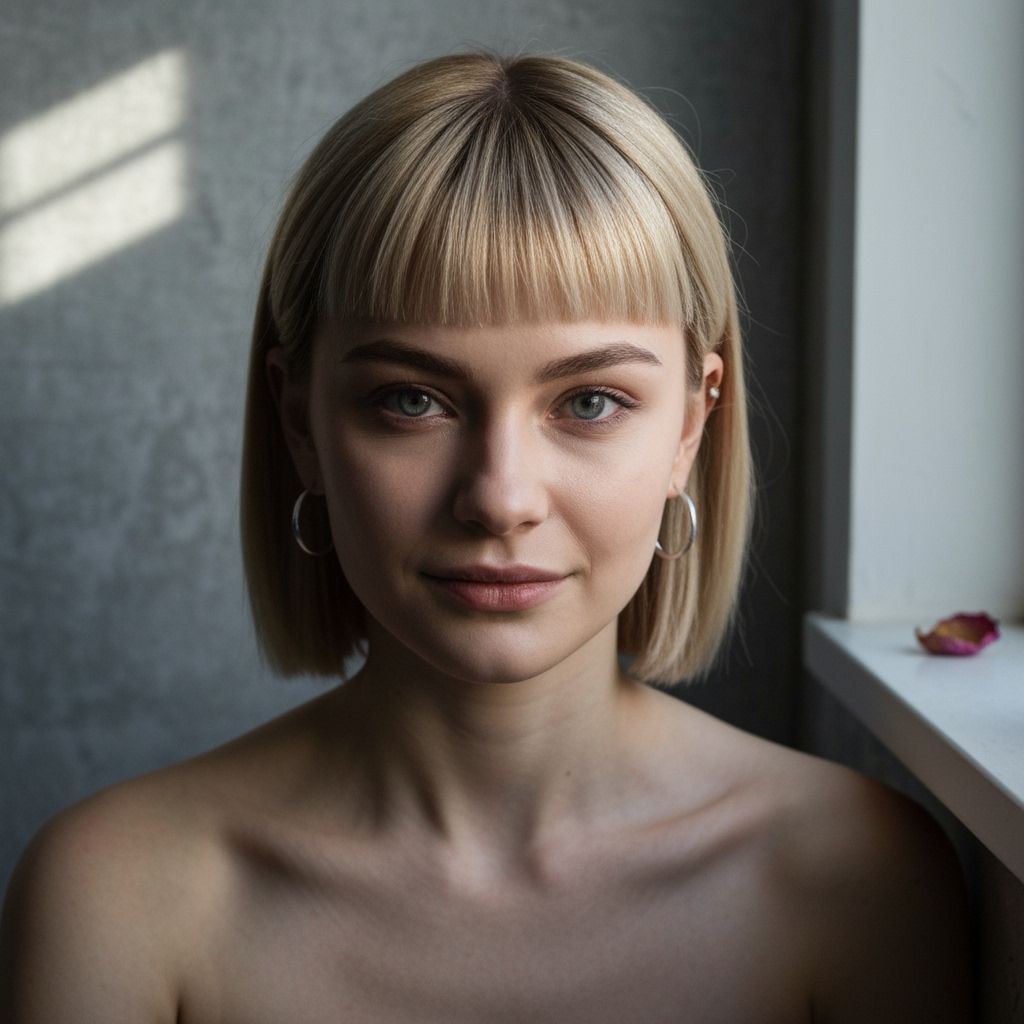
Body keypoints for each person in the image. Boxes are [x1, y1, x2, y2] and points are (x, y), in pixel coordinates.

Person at [1, 52, 969, 1023]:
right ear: (299, 422)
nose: (499, 498)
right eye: (410, 399)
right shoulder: (118, 896)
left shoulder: (856, 881)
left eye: (589, 400)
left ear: (690, 423)